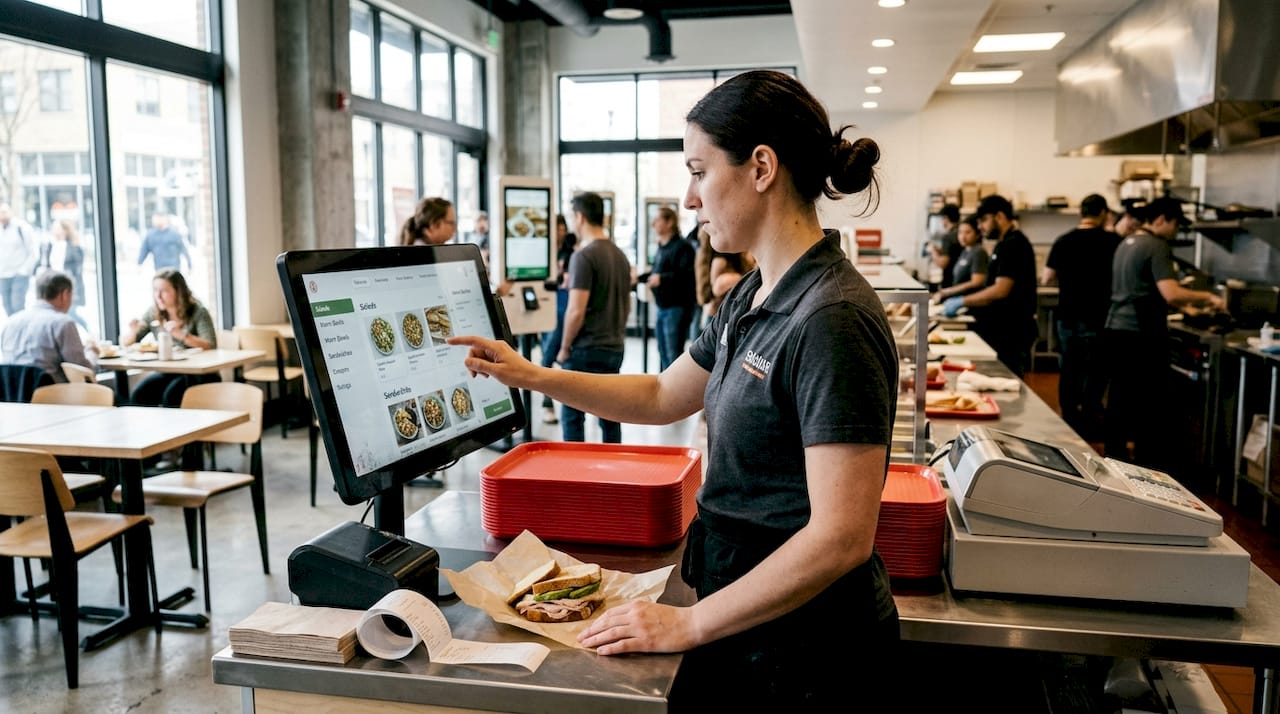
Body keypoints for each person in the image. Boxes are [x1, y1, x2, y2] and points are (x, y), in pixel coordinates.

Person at [450, 70, 899, 710]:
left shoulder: (830, 319)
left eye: (697, 170)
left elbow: (841, 536)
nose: (689, 199)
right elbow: (662, 394)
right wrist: (529, 373)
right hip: (742, 615)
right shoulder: (754, 292)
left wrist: (688, 622)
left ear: (761, 168)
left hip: (807, 649)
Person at [1104, 197, 1224, 468]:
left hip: (1116, 328)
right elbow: (1170, 293)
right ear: (1161, 219)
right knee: (1148, 402)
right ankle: (1148, 465)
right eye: (1175, 224)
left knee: (1120, 398)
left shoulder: (1126, 243)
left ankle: (1116, 459)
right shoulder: (1156, 246)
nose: (1174, 231)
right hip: (1140, 334)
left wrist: (1190, 310)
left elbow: (1139, 289)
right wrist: (1209, 298)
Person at [1041, 193, 1121, 439]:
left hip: (1068, 315)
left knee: (1070, 368)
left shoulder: (1063, 240)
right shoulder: (1113, 241)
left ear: (1081, 213)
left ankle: (1069, 421)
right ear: (1104, 213)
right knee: (1096, 371)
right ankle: (1090, 422)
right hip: (1100, 317)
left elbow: (1046, 277)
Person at [554, 192, 631, 443]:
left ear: (580, 217)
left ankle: (576, 477)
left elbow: (576, 310)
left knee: (572, 417)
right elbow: (626, 305)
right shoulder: (620, 255)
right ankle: (612, 474)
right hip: (614, 346)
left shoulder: (583, 256)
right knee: (611, 416)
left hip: (585, 350)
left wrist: (564, 348)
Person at [942, 194, 1038, 377]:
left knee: (1007, 381)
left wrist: (963, 301)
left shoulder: (1014, 244)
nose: (980, 227)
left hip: (1014, 330)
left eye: (984, 220)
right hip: (1002, 329)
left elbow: (1001, 290)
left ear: (1000, 216)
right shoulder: (1002, 244)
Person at [120, 269, 218, 407]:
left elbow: (210, 344)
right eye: (155, 290)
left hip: (199, 374)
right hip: (170, 372)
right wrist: (132, 331)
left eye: (164, 291)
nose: (158, 296)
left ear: (179, 292)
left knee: (171, 396)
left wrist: (182, 335)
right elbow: (127, 343)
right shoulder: (154, 312)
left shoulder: (198, 312)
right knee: (140, 394)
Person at [0, 270, 97, 382]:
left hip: (11, 398)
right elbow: (83, 371)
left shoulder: (10, 323)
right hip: (52, 397)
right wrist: (92, 352)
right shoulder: (63, 323)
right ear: (65, 295)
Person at [645, 206, 698, 371]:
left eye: (658, 219)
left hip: (676, 308)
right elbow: (657, 271)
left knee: (673, 356)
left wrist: (661, 278)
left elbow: (686, 276)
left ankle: (674, 395)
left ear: (670, 222)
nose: (653, 223)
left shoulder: (683, 247)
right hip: (662, 307)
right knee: (662, 352)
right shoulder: (662, 247)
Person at [540, 214, 577, 424]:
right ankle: (548, 404)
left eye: (563, 227)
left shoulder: (571, 252)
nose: (560, 231)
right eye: (557, 227)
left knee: (551, 354)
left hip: (563, 307)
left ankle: (555, 403)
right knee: (546, 353)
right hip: (545, 305)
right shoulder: (542, 252)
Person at [34, 219, 89, 331]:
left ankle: (87, 331)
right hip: (53, 287)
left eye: (58, 228)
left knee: (71, 313)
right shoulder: (49, 246)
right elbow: (44, 264)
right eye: (54, 229)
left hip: (68, 285)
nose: (55, 231)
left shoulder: (74, 247)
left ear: (65, 230)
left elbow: (77, 269)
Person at [932, 215, 987, 302]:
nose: (963, 237)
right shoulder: (965, 251)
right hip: (957, 298)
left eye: (968, 232)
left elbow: (977, 282)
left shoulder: (978, 252)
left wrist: (949, 291)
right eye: (960, 232)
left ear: (977, 234)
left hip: (969, 302)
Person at [0, 203, 38, 318]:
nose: (2, 215)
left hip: (19, 273)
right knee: (7, 306)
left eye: (4, 212)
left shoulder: (21, 228)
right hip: (3, 274)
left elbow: (33, 251)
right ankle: (15, 332)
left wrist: (24, 270)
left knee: (18, 306)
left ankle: (22, 332)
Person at [928, 203, 964, 289]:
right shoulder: (961, 233)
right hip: (962, 280)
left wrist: (932, 250)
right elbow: (954, 253)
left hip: (950, 282)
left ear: (946, 218)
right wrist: (941, 250)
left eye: (942, 219)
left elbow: (943, 263)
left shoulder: (948, 237)